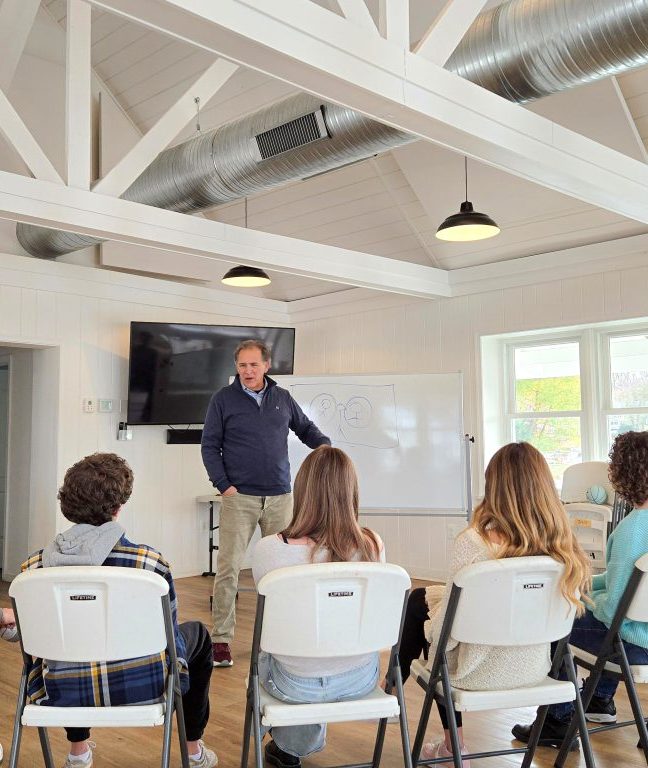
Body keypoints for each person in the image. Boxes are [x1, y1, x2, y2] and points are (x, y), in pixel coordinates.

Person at [397, 442, 590, 766]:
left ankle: (450, 741)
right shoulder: (562, 550)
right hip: (535, 671)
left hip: (474, 674)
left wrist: (429, 630)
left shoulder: (473, 543)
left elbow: (445, 633)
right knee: (427, 601)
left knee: (429, 616)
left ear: (494, 488)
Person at [21, 453, 217, 768]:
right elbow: (170, 636)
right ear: (118, 507)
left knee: (70, 645)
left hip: (62, 691)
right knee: (200, 635)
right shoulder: (149, 565)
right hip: (142, 686)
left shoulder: (33, 569)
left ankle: (78, 752)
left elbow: (33, 637)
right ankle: (193, 751)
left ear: (67, 504)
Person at [251, 445, 384, 768]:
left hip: (293, 683)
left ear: (302, 490)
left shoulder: (269, 550)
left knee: (276, 649)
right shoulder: (372, 545)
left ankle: (282, 741)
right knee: (325, 640)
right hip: (359, 677)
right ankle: (289, 745)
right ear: (351, 492)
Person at [513, 430, 648, 747]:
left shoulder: (631, 530)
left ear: (622, 475)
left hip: (635, 645)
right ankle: (598, 700)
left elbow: (613, 610)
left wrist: (582, 598)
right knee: (599, 618)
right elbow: (630, 584)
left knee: (560, 622)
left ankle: (556, 720)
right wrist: (587, 584)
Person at [201, 339, 330, 667]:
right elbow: (209, 446)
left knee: (283, 570)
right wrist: (224, 486)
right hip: (239, 498)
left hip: (280, 497)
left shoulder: (282, 398)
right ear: (237, 367)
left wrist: (327, 449)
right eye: (242, 365)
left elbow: (306, 430)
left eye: (253, 365)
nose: (247, 371)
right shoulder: (223, 399)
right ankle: (221, 640)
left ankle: (279, 638)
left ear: (266, 366)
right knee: (228, 568)